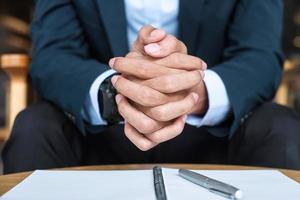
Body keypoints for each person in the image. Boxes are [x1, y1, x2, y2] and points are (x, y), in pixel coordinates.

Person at [2, 0, 300, 174]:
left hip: (215, 135)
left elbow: (259, 54)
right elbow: (54, 53)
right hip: (100, 131)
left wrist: (193, 93)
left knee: (282, 128)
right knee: (34, 127)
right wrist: (117, 92)